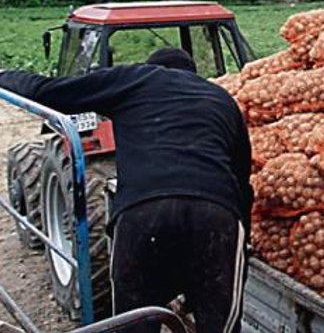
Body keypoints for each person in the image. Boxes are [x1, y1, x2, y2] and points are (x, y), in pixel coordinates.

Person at [0, 48, 252, 333]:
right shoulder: (221, 98)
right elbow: (242, 182)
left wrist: (5, 77)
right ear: (192, 74)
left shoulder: (136, 79)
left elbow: (49, 91)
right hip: (215, 211)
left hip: (142, 211)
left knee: (134, 322)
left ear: (153, 68)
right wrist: (243, 242)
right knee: (219, 326)